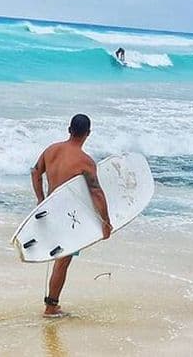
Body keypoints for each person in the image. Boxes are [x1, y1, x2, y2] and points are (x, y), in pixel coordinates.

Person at [30, 114, 112, 318]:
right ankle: (51, 306)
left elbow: (35, 172)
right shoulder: (85, 162)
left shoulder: (51, 150)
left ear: (69, 130)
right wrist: (106, 222)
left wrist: (41, 200)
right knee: (63, 261)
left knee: (59, 258)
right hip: (67, 216)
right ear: (88, 134)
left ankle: (52, 303)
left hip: (50, 210)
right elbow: (97, 193)